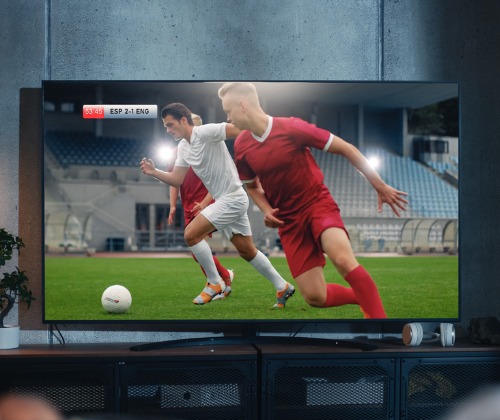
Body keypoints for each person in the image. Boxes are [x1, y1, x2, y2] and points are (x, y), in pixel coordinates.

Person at [218, 82, 409, 319]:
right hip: (288, 222)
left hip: (317, 204)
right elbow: (252, 185)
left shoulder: (291, 127)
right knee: (315, 297)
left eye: (228, 111)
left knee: (342, 259)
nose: (227, 118)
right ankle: (361, 295)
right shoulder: (241, 145)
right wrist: (266, 209)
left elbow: (347, 148)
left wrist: (379, 185)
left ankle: (381, 327)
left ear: (243, 106)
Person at [140, 102, 294, 307]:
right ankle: (282, 286)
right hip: (226, 199)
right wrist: (154, 172)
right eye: (165, 126)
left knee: (190, 234)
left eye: (170, 125)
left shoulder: (207, 132)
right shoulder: (183, 148)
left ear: (183, 121)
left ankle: (214, 283)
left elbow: (241, 129)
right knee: (247, 251)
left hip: (233, 198)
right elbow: (177, 179)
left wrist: (265, 149)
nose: (167, 130)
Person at [168, 113, 234, 299]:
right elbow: (174, 182)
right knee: (196, 251)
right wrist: (173, 206)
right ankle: (223, 277)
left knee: (198, 245)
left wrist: (206, 202)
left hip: (205, 204)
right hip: (189, 205)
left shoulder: (207, 150)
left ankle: (219, 282)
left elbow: (216, 178)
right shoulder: (177, 152)